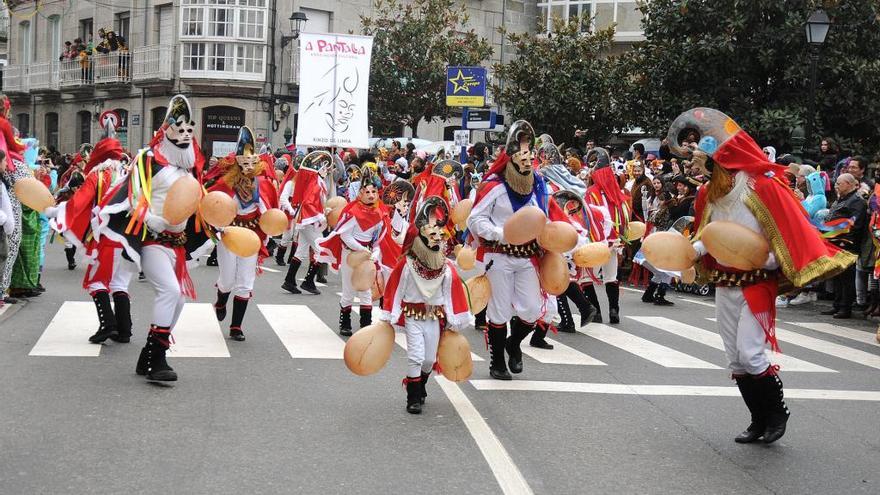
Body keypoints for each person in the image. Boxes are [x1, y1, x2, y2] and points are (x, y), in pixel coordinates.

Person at [668, 107, 854, 444]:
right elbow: (707, 237)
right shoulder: (708, 195)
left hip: (757, 282)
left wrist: (769, 259)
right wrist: (687, 254)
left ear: (718, 161)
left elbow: (785, 229)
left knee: (751, 353)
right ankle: (757, 420)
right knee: (735, 357)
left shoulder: (761, 187)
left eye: (702, 163)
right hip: (726, 283)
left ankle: (776, 414)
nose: (697, 170)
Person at [93, 95, 206, 382]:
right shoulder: (148, 159)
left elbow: (196, 201)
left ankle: (148, 354)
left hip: (177, 242)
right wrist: (149, 218)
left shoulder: (189, 167)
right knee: (169, 291)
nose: (184, 134)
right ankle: (157, 359)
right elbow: (133, 196)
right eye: (178, 128)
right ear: (165, 128)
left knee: (179, 299)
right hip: (152, 239)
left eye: (188, 129)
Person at [467, 120, 553, 380]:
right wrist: (501, 233)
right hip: (498, 255)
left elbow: (547, 217)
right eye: (523, 155)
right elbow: (475, 219)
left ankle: (513, 343)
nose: (528, 161)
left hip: (527, 256)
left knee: (531, 309)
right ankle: (497, 362)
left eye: (530, 155)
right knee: (499, 311)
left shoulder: (537, 185)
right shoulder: (494, 185)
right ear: (511, 156)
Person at [45, 112, 134, 343]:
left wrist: (58, 212)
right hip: (128, 239)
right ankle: (124, 330)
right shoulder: (129, 174)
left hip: (105, 237)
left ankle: (108, 325)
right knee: (120, 283)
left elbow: (80, 201)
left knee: (96, 282)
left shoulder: (98, 176)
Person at [380, 196, 473, 414]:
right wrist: (388, 315)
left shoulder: (445, 266)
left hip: (434, 317)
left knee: (429, 359)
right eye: (431, 235)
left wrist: (453, 318)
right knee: (415, 356)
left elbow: (452, 293)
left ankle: (420, 385)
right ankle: (412, 397)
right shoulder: (407, 264)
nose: (437, 239)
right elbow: (394, 288)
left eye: (440, 235)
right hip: (413, 315)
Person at [208, 126, 279, 341]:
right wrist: (218, 227)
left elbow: (269, 211)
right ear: (237, 163)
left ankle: (236, 326)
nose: (249, 167)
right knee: (228, 279)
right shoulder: (224, 183)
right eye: (244, 163)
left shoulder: (264, 184)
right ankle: (221, 299)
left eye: (252, 163)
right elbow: (212, 205)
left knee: (245, 281)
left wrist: (270, 228)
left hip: (251, 235)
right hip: (229, 233)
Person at [316, 166, 391, 336]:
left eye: (374, 192)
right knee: (349, 290)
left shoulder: (380, 213)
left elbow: (377, 239)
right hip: (350, 254)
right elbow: (345, 236)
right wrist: (362, 249)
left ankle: (366, 325)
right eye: (367, 192)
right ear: (360, 193)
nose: (371, 195)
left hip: (366, 256)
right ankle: (345, 323)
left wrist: (376, 253)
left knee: (365, 290)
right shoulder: (352, 212)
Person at [584, 147, 627, 324]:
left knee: (586, 277)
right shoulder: (618, 193)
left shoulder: (590, 193)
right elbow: (625, 216)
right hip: (615, 241)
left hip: (596, 242)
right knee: (611, 277)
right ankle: (614, 309)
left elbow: (587, 218)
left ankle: (596, 312)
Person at [818, 173, 867, 319]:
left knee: (847, 277)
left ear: (849, 184)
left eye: (839, 183)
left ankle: (845, 308)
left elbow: (854, 225)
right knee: (838, 276)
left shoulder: (857, 201)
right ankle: (837, 305)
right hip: (834, 242)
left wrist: (838, 237)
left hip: (846, 244)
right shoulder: (842, 199)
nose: (836, 186)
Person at [281, 150, 330, 295]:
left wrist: (323, 211)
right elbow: (309, 202)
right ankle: (308, 282)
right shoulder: (314, 182)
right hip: (310, 221)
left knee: (301, 251)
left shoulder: (315, 181)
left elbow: (315, 202)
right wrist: (320, 216)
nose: (327, 170)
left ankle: (289, 281)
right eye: (325, 167)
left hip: (307, 220)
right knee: (321, 250)